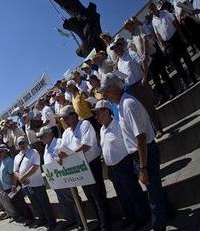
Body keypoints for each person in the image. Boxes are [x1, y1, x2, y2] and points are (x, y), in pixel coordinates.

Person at [100, 73, 174, 231]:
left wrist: (143, 167)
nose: (105, 96)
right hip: (139, 153)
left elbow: (140, 138)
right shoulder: (121, 105)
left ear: (113, 89)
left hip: (144, 152)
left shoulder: (128, 105)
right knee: (154, 188)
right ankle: (169, 211)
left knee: (153, 193)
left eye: (106, 92)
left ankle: (158, 226)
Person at [93, 99, 149, 230]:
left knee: (133, 192)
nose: (96, 116)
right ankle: (131, 217)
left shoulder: (118, 125)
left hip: (124, 163)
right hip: (112, 167)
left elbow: (130, 143)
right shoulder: (102, 129)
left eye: (98, 113)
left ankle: (143, 217)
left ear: (106, 111)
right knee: (122, 196)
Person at [58, 105, 112, 231]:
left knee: (98, 195)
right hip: (80, 167)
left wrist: (68, 155)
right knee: (90, 196)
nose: (65, 120)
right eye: (63, 118)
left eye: (66, 117)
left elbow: (86, 146)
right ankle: (101, 222)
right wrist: (61, 156)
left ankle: (106, 224)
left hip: (92, 164)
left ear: (73, 115)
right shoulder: (66, 132)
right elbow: (63, 150)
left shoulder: (85, 124)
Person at [109, 34, 162, 133]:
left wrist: (145, 77)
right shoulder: (119, 62)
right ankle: (152, 130)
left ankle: (158, 128)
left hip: (140, 83)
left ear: (120, 46)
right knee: (141, 111)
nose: (115, 50)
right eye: (113, 49)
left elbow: (143, 62)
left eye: (116, 47)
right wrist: (115, 71)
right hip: (130, 88)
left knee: (149, 107)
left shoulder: (130, 53)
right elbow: (124, 78)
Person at [37, 127, 82, 230]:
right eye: (40, 137)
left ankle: (80, 221)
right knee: (63, 201)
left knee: (72, 199)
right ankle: (71, 220)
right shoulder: (46, 147)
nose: (41, 139)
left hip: (65, 177)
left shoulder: (59, 142)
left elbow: (69, 156)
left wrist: (62, 158)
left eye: (42, 136)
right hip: (55, 179)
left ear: (50, 134)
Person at [149, 2, 198, 89]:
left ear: (155, 7)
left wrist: (182, 35)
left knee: (186, 57)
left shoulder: (165, 12)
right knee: (176, 63)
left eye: (153, 7)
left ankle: (193, 75)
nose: (152, 10)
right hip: (168, 43)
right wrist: (162, 46)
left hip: (176, 37)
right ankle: (185, 80)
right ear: (150, 12)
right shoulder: (153, 21)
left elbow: (175, 22)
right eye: (151, 9)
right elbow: (158, 35)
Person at [14, 136, 56, 229]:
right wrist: (20, 178)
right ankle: (42, 219)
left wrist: (23, 177)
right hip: (26, 186)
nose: (22, 145)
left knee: (44, 202)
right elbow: (15, 171)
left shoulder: (33, 152)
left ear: (27, 142)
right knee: (35, 203)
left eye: (23, 142)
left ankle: (51, 220)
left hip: (37, 184)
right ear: (17, 145)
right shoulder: (17, 157)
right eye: (20, 143)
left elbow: (36, 166)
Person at [0, 144, 34, 226]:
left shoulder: (9, 161)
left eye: (0, 152)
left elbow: (13, 174)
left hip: (12, 186)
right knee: (15, 203)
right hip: (7, 187)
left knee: (20, 202)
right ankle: (23, 216)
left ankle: (29, 218)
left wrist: (14, 186)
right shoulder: (3, 161)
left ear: (5, 151)